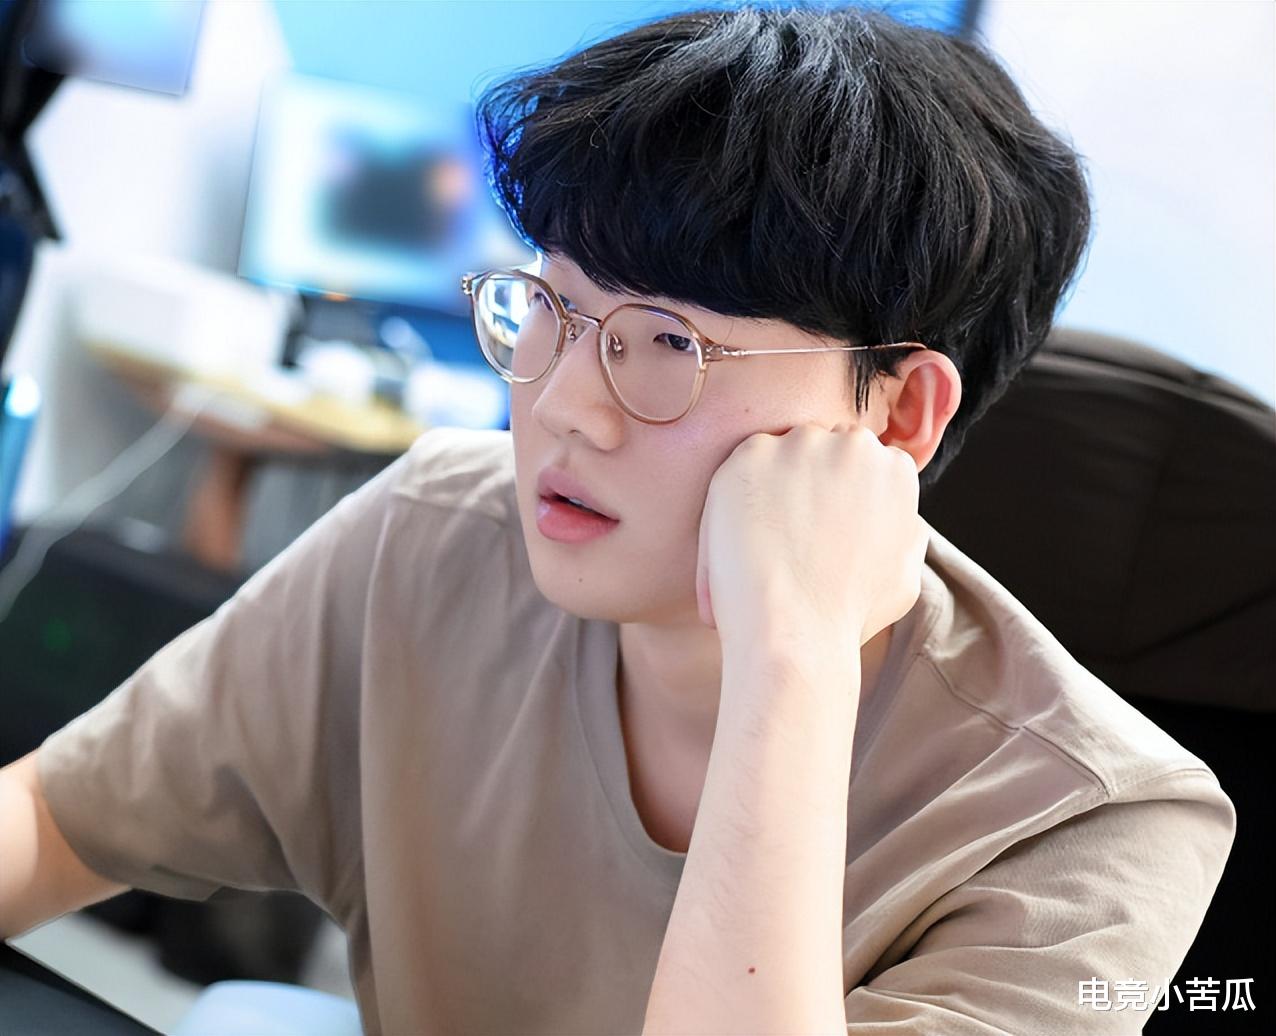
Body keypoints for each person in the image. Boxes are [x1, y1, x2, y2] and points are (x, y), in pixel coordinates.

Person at [0, 6, 1234, 1034]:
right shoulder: (438, 530)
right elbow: (59, 818)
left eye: (667, 344)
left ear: (897, 413)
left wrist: (789, 665)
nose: (561, 405)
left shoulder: (1091, 826)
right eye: (549, 304)